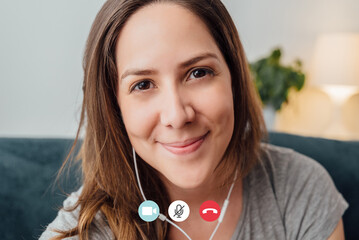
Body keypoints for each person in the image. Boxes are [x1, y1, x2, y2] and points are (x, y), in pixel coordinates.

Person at [40, 0, 348, 239]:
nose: (177, 115)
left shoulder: (301, 190)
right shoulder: (83, 229)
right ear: (114, 107)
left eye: (198, 72)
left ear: (234, 77)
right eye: (143, 85)